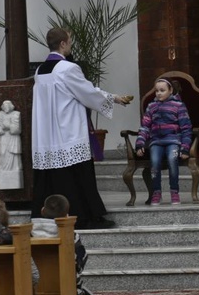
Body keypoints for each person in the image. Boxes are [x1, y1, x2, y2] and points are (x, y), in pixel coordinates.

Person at [31, 27, 131, 229]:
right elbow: (87, 92)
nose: (71, 44)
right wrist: (113, 98)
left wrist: (112, 98)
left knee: (52, 176)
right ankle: (85, 217)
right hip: (68, 132)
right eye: (69, 41)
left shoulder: (39, 71)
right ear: (62, 44)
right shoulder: (67, 68)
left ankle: (49, 216)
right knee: (78, 176)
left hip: (47, 136)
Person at [135, 78, 192, 205]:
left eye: (162, 90)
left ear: (170, 90)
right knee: (154, 163)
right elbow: (144, 127)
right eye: (157, 91)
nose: (159, 93)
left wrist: (185, 148)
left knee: (172, 159)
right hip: (156, 141)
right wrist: (139, 144)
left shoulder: (179, 106)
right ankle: (156, 192)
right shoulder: (151, 106)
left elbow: (186, 129)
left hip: (173, 140)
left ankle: (174, 191)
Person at [0, 100, 22, 172]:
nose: (6, 107)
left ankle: (15, 168)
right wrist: (1, 129)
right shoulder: (0, 114)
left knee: (13, 154)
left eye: (7, 105)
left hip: (13, 138)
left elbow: (17, 129)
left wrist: (7, 126)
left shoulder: (16, 114)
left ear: (11, 106)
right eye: (4, 106)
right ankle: (3, 168)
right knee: (3, 153)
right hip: (4, 138)